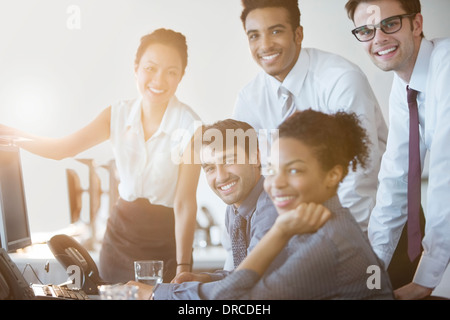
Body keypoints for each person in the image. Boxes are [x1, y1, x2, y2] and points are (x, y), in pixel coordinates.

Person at [0, 28, 202, 283]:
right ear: (136, 68)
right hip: (120, 239)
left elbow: (185, 203)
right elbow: (63, 149)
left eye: (171, 72)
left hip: (166, 241)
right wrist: (13, 135)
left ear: (181, 76)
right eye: (151, 68)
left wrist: (184, 267)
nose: (159, 80)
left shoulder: (191, 126)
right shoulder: (116, 115)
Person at [233, 0, 388, 233]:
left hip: (375, 225)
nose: (264, 45)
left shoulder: (340, 79)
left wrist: (337, 243)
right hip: (301, 235)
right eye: (254, 36)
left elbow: (359, 177)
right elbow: (247, 181)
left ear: (298, 34)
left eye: (275, 31)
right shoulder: (248, 99)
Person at [208, 109, 394, 300]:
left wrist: (279, 231)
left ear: (332, 175)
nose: (276, 183)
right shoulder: (324, 224)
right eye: (271, 169)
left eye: (294, 170)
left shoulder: (326, 243)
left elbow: (227, 301)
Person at [346, 0, 450, 300]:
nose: (378, 39)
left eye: (390, 24)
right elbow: (395, 185)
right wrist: (369, 277)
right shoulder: (404, 86)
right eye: (366, 30)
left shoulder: (446, 66)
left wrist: (424, 281)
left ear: (416, 24)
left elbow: (446, 175)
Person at [128, 119, 288, 299]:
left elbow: (247, 284)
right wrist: (205, 278)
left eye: (229, 160)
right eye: (210, 168)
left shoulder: (273, 204)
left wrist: (156, 294)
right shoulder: (236, 209)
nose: (221, 177)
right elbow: (243, 274)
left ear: (255, 158)